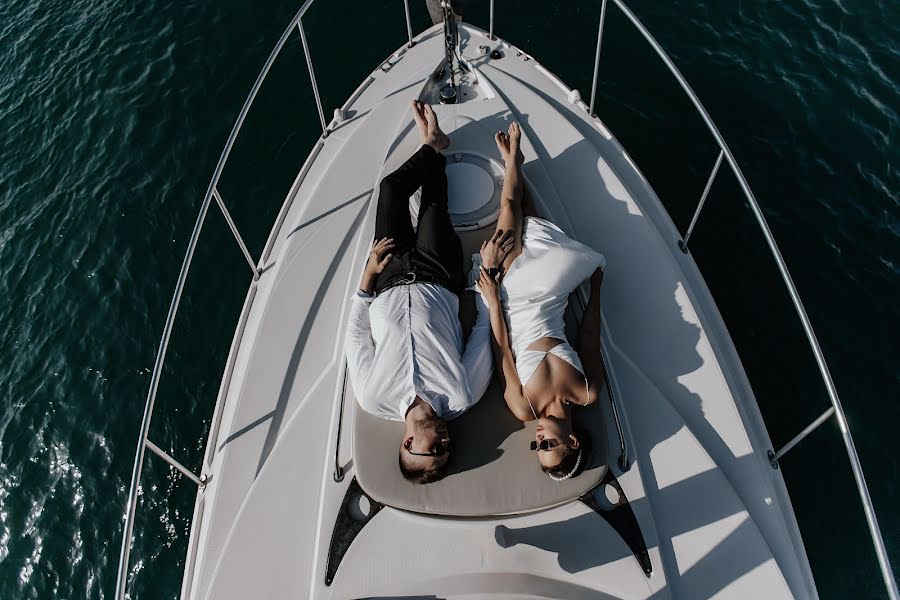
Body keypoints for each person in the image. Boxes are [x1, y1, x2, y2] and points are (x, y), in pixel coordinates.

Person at [345, 101, 504, 484]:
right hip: (439, 275)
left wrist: (367, 276)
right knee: (434, 204)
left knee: (391, 189)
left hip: (386, 279)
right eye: (448, 451)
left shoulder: (372, 396)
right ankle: (432, 146)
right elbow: (483, 332)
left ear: (407, 443)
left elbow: (356, 335)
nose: (445, 443)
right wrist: (483, 276)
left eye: (434, 449)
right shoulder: (461, 395)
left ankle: (432, 144)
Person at [474, 122, 606, 482]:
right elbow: (589, 333)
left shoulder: (522, 407)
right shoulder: (587, 392)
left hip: (511, 298)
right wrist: (595, 287)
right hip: (549, 297)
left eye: (537, 449)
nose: (539, 442)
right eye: (549, 447)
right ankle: (513, 161)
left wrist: (493, 300)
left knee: (510, 209)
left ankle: (514, 158)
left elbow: (502, 348)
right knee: (531, 224)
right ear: (573, 441)